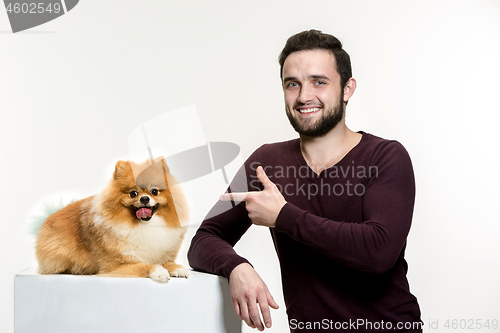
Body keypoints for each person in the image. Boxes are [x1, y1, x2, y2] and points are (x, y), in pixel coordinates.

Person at [188, 29, 422, 332]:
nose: (303, 96)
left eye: (319, 82)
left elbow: (378, 251)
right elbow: (204, 239)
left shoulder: (385, 156)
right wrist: (237, 267)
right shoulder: (267, 163)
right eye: (292, 84)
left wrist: (283, 216)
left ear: (347, 88)